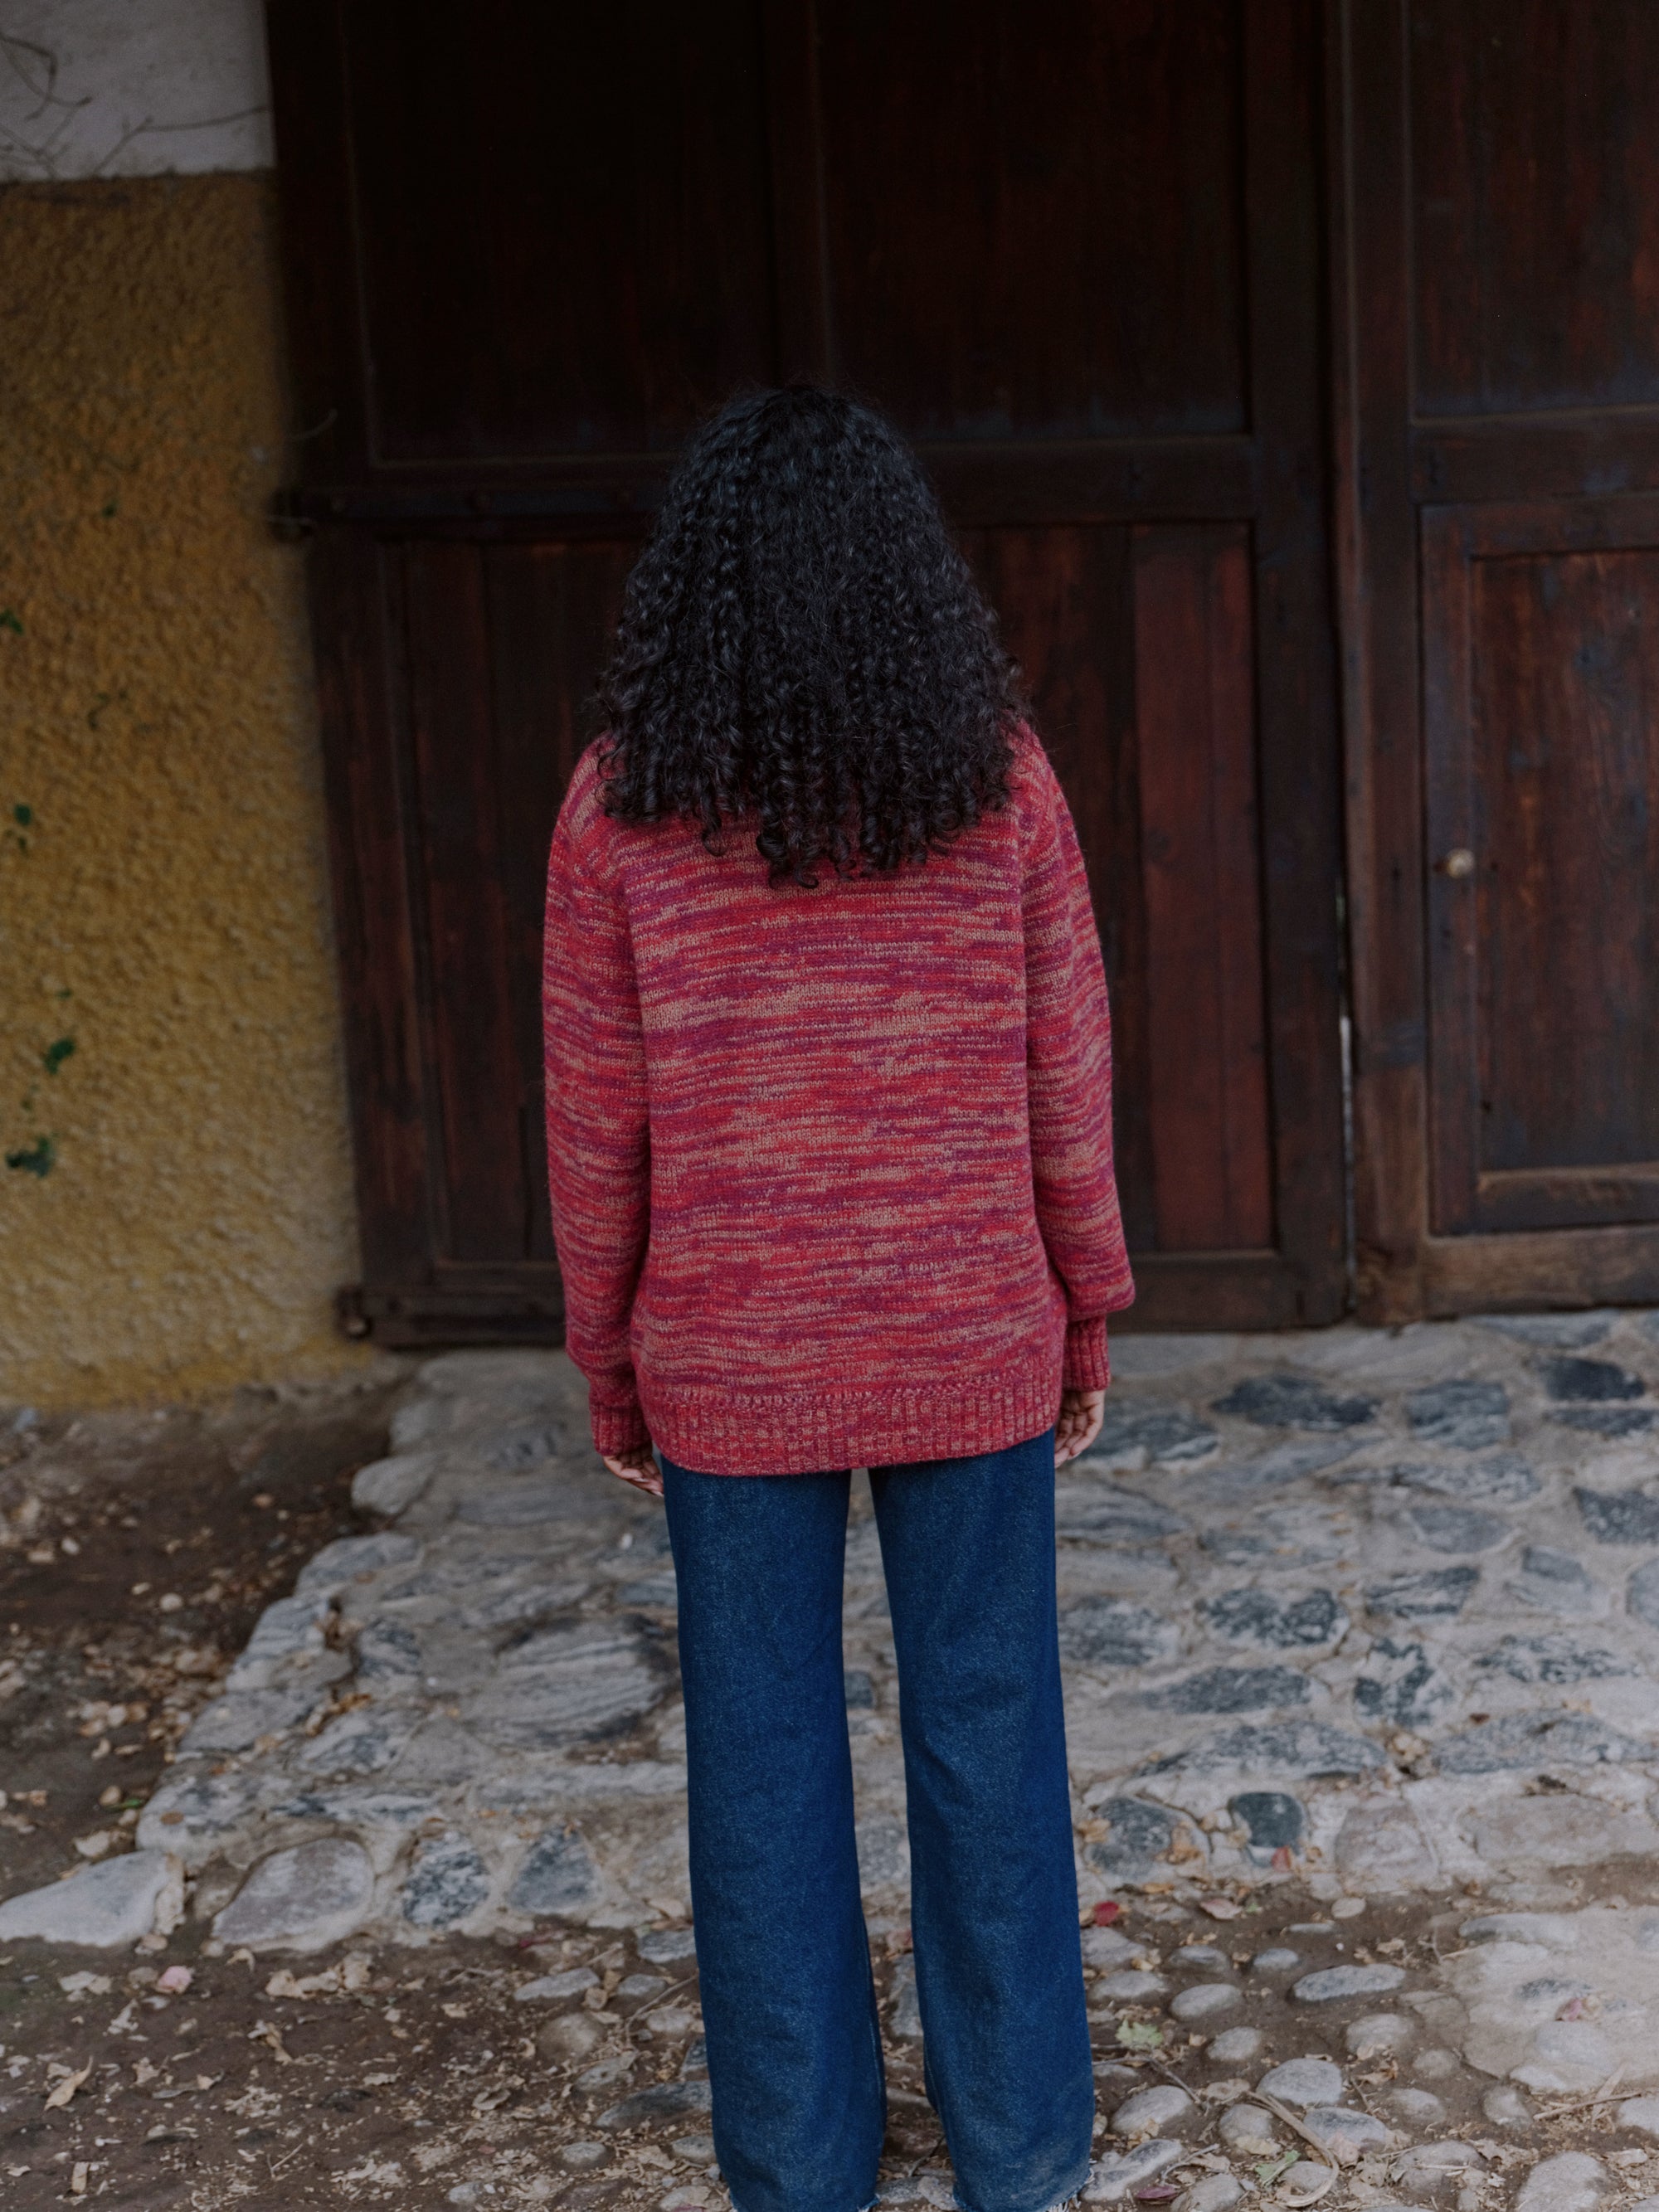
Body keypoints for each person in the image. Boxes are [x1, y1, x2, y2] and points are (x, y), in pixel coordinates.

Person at [543, 386, 1133, 2212]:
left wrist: (610, 1351)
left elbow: (593, 1121)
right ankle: (1020, 2144)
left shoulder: (619, 806)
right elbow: (1068, 1080)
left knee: (762, 1758)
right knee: (989, 1731)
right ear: (907, 580)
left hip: (729, 1352)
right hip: (966, 1331)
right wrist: (1084, 1303)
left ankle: (797, 2165)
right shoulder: (1001, 780)